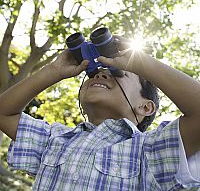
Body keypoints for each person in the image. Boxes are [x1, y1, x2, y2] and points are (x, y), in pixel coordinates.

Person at [0, 36, 199, 191]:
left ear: (145, 107)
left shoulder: (148, 151)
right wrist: (54, 70)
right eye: (94, 73)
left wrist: (141, 63)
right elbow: (3, 113)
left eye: (118, 72)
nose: (102, 73)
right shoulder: (56, 138)